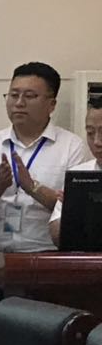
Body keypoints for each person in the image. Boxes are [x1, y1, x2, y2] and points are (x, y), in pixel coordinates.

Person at [0, 62, 91, 345]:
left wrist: (31, 186)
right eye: (13, 95)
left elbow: (76, 213)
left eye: (29, 95)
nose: (19, 103)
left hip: (48, 264)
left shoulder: (71, 147)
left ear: (51, 104)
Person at [50, 95, 102, 246]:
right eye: (90, 133)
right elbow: (56, 237)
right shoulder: (78, 175)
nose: (97, 142)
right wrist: (73, 212)